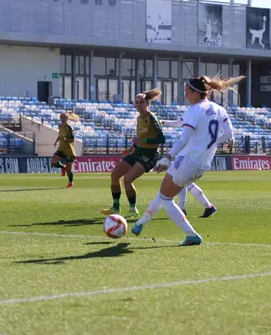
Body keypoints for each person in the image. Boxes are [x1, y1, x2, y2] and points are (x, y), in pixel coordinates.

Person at [131, 75, 243, 246]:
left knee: (166, 199)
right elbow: (229, 136)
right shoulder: (219, 109)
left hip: (188, 160)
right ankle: (141, 223)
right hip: (203, 164)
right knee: (163, 193)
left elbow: (183, 140)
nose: (185, 95)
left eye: (186, 92)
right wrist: (209, 141)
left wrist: (167, 157)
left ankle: (191, 235)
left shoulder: (195, 110)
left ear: (195, 92)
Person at [101, 89, 165, 218]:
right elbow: (140, 138)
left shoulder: (151, 118)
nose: (139, 105)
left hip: (150, 154)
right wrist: (131, 149)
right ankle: (115, 207)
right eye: (136, 102)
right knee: (115, 175)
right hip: (138, 151)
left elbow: (161, 139)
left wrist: (143, 140)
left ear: (147, 103)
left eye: (141, 102)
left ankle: (132, 209)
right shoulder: (139, 118)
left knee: (127, 179)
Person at [160, 117, 218, 218]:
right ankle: (208, 206)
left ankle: (183, 209)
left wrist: (163, 123)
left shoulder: (194, 114)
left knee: (179, 179)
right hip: (192, 154)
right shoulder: (202, 118)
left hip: (188, 154)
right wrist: (164, 122)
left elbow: (177, 124)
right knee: (185, 182)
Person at [51, 112, 79, 188]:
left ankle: (70, 182)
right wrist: (56, 141)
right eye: (61, 117)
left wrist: (65, 139)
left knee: (69, 170)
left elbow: (72, 139)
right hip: (61, 149)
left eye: (64, 118)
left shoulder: (69, 128)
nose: (63, 119)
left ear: (67, 119)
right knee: (53, 162)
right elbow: (60, 135)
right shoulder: (60, 126)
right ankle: (63, 167)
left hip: (69, 151)